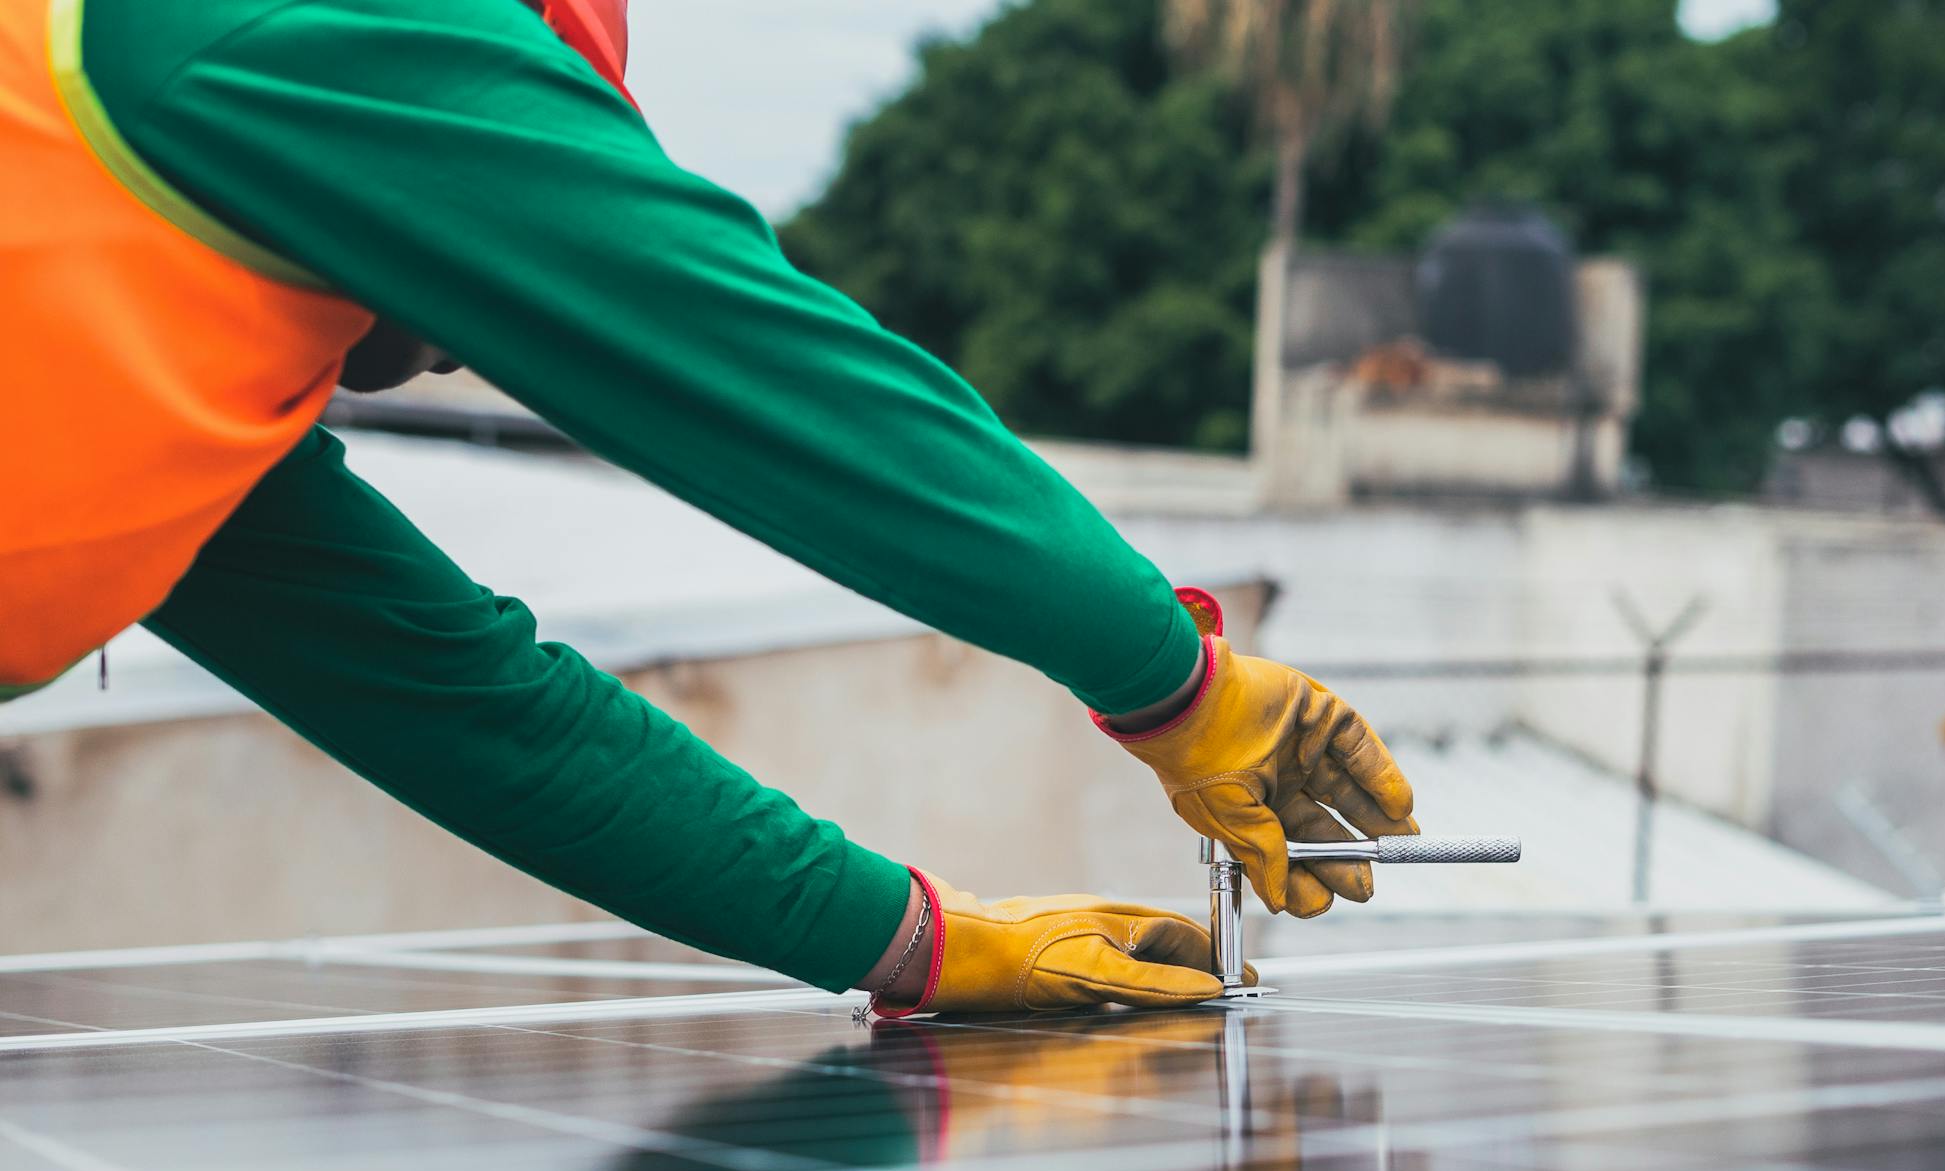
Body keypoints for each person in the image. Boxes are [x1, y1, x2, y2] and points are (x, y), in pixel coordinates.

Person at [0, 0, 1415, 1015]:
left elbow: (468, 705)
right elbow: (776, 385)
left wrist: (911, 940)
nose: (454, 345)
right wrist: (1173, 682)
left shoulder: (173, 360)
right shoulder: (284, 24)